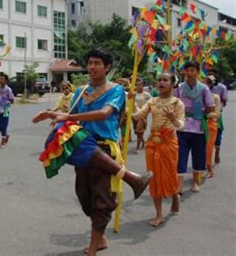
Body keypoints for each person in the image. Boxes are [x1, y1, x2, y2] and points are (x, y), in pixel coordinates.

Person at [32, 49, 152, 256]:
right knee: (85, 197)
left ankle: (93, 248)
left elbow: (105, 113)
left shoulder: (115, 91)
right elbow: (73, 117)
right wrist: (56, 115)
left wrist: (64, 116)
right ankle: (132, 180)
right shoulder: (81, 91)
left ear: (107, 67)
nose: (92, 67)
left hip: (104, 146)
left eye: (97, 63)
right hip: (83, 148)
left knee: (102, 200)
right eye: (89, 63)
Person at [131, 72, 184, 227]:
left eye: (165, 80)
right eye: (159, 80)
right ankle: (159, 214)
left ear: (173, 84)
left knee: (170, 176)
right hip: (152, 144)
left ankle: (175, 195)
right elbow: (136, 116)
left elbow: (181, 125)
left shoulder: (177, 103)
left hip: (169, 144)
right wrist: (133, 102)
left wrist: (173, 118)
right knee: (153, 178)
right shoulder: (152, 101)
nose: (161, 82)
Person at [174, 61, 214, 193]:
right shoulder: (179, 88)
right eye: (187, 70)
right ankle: (179, 185)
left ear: (197, 72)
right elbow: (173, 103)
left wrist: (200, 113)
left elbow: (210, 106)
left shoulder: (204, 88)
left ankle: (195, 182)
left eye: (193, 70)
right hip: (183, 127)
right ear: (184, 72)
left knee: (198, 156)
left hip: (199, 128)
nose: (190, 73)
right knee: (181, 156)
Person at [202, 76, 221, 179]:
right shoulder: (197, 96)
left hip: (210, 125)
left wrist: (204, 114)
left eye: (203, 84)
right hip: (198, 125)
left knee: (208, 148)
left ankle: (210, 169)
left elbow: (217, 114)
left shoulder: (215, 97)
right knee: (199, 149)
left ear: (209, 85)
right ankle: (201, 168)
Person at [207, 70, 227, 164]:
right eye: (208, 73)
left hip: (216, 115)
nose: (210, 74)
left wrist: (216, 107)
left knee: (217, 136)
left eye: (212, 73)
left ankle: (217, 153)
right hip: (204, 117)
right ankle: (206, 160)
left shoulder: (221, 87)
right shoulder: (201, 87)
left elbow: (224, 101)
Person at [0, 73, 14, 148]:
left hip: (5, 108)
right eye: (0, 78)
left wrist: (5, 102)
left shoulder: (8, 89)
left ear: (6, 81)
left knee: (4, 126)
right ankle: (6, 135)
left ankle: (3, 141)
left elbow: (12, 100)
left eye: (2, 79)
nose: (0, 80)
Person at [133, 78, 152, 150]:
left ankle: (137, 147)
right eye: (137, 85)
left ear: (143, 86)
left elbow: (151, 104)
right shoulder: (133, 94)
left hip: (143, 116)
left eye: (140, 85)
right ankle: (143, 141)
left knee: (139, 131)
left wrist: (146, 113)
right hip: (134, 115)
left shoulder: (147, 95)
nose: (138, 86)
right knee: (136, 131)